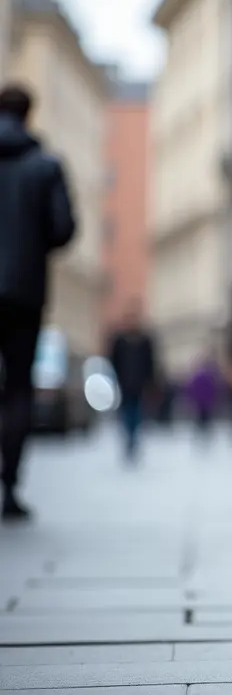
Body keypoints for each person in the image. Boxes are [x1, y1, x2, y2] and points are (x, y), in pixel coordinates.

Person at [0, 84, 76, 522]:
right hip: (25, 293)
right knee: (17, 390)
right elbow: (63, 229)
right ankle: (9, 486)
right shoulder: (45, 166)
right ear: (30, 114)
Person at [108, 302, 159, 465]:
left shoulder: (145, 340)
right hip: (124, 383)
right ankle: (129, 439)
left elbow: (151, 363)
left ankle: (133, 439)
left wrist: (151, 382)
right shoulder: (119, 340)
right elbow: (113, 361)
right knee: (126, 413)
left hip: (139, 384)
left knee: (136, 414)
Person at [184, 351, 223, 443]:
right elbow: (214, 390)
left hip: (200, 402)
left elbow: (191, 388)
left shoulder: (198, 376)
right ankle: (205, 435)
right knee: (206, 419)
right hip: (206, 402)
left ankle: (201, 435)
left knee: (201, 419)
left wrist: (190, 399)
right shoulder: (211, 376)